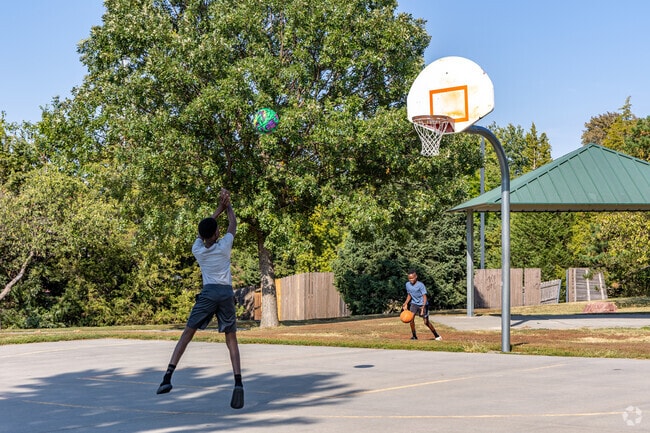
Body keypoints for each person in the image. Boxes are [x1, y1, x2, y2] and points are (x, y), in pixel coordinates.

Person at [156, 188, 244, 409]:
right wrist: (227, 205)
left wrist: (216, 211)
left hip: (208, 293)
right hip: (225, 293)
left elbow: (204, 230)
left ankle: (167, 377)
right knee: (231, 338)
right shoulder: (224, 246)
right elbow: (233, 224)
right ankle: (238, 383)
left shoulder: (197, 249)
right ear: (216, 234)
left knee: (188, 332)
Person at [402, 269, 442, 341]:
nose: (411, 280)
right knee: (411, 319)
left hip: (423, 304)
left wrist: (423, 307)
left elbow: (424, 296)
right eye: (409, 278)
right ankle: (414, 336)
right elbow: (409, 295)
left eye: (412, 278)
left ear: (416, 277)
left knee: (426, 322)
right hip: (414, 304)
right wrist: (405, 303)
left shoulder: (421, 285)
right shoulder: (407, 284)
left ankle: (437, 335)